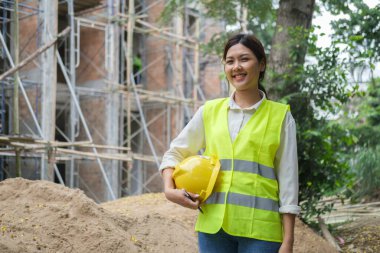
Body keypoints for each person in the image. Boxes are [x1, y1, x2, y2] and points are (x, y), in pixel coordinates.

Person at [159, 33, 300, 253]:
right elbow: (174, 153)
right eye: (230, 61)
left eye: (244, 59)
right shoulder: (209, 111)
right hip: (214, 231)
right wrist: (169, 190)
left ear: (261, 64)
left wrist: (288, 241)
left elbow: (289, 180)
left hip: (261, 232)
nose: (236, 67)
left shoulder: (281, 117)